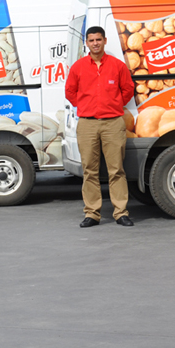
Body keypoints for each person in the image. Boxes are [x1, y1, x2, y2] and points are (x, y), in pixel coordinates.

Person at [64, 26, 136, 227]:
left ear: (104, 40)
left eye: (98, 39)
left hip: (113, 123)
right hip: (87, 124)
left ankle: (120, 213)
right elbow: (70, 91)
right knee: (90, 170)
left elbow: (128, 89)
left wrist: (114, 104)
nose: (95, 43)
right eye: (91, 40)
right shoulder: (78, 67)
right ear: (87, 43)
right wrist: (85, 105)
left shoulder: (117, 65)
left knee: (116, 169)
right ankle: (92, 214)